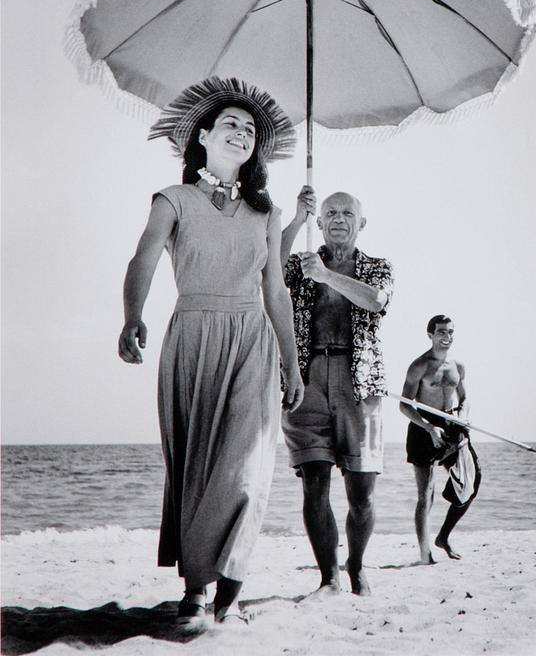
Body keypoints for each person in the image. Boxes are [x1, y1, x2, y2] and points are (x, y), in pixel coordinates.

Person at [118, 77, 304, 627]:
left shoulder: (266, 214)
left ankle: (231, 587)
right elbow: (143, 260)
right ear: (202, 135)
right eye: (231, 124)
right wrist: (132, 316)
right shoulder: (172, 200)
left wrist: (292, 362)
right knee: (197, 467)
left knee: (247, 470)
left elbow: (275, 291)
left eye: (250, 129)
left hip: (252, 340)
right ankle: (197, 586)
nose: (242, 133)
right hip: (193, 336)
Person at [280, 186, 394, 597]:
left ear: (361, 223)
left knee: (361, 491)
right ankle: (328, 577)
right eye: (330, 213)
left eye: (347, 213)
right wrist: (295, 221)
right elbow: (267, 271)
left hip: (359, 380)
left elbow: (376, 302)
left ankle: (357, 566)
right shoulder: (302, 264)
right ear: (320, 222)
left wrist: (327, 276)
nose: (339, 218)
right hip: (306, 376)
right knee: (314, 482)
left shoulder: (378, 266)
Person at [400, 315, 481, 565]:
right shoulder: (419, 366)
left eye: (450, 332)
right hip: (423, 427)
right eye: (441, 332)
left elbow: (464, 398)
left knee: (471, 483)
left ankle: (443, 537)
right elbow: (404, 406)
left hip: (452, 424)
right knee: (426, 494)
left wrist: (463, 416)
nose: (447, 337)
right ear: (431, 335)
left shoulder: (458, 366)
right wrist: (428, 427)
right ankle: (425, 554)